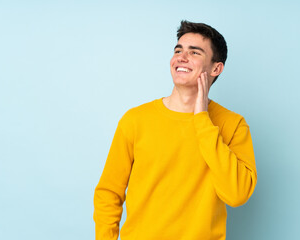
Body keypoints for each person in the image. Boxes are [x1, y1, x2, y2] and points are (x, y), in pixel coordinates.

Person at [93, 20, 257, 240]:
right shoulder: (135, 120)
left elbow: (237, 194)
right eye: (178, 50)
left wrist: (201, 119)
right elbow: (108, 193)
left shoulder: (232, 124)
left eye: (194, 52)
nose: (181, 57)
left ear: (215, 68)